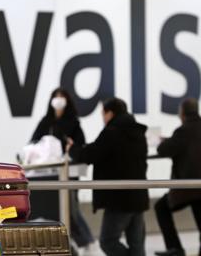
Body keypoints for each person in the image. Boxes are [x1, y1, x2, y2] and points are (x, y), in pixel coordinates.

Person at [69, 97, 149, 256]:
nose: (103, 118)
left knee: (108, 241)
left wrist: (73, 149)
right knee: (137, 244)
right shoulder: (138, 132)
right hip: (138, 195)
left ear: (110, 113)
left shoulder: (112, 132)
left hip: (119, 198)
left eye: (103, 114)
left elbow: (90, 154)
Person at [30, 88, 97, 253]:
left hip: (68, 172)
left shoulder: (73, 122)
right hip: (47, 173)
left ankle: (86, 241)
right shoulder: (45, 121)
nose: (58, 100)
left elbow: (80, 146)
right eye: (56, 97)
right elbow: (33, 141)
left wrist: (70, 147)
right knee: (53, 208)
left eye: (62, 97)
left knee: (71, 209)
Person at [154, 98, 201, 256]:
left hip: (188, 189)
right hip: (198, 188)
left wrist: (166, 141)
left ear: (182, 113)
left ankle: (175, 249)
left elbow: (163, 150)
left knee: (161, 207)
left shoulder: (183, 131)